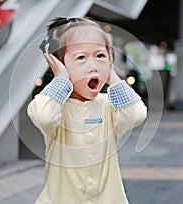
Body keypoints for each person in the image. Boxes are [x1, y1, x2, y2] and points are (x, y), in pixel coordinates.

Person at [27, 17, 147, 204]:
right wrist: (62, 79)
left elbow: (137, 114)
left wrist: (112, 76)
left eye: (100, 56)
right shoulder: (56, 107)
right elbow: (44, 117)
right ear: (60, 65)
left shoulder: (109, 106)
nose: (93, 66)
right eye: (81, 58)